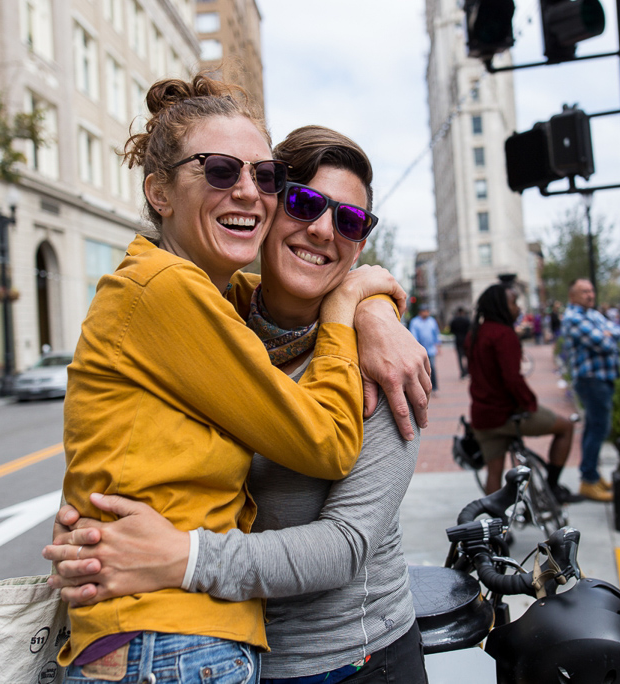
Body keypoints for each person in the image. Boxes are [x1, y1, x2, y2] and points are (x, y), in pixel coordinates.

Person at [36, 75, 426, 679]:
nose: (324, 229)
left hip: (349, 661)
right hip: (194, 646)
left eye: (351, 222)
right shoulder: (210, 310)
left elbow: (346, 545)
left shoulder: (383, 362)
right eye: (301, 202)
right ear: (271, 214)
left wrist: (364, 305)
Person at [468, 282, 575, 501]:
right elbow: (512, 379)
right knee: (566, 427)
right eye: (514, 302)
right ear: (500, 306)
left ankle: (496, 528)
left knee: (494, 473)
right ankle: (553, 487)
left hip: (482, 417)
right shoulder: (504, 335)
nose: (518, 308)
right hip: (507, 414)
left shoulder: (475, 334)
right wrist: (529, 403)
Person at [557, 277, 620, 501]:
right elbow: (604, 343)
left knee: (594, 428)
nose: (590, 294)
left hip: (603, 377)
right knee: (599, 428)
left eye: (591, 290)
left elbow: (618, 332)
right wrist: (607, 334)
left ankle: (591, 475)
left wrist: (609, 333)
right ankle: (589, 480)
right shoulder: (574, 317)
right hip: (591, 379)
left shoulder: (591, 314)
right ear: (572, 296)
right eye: (584, 291)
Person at [409, 306, 441, 392]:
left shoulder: (432, 321)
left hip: (431, 349)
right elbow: (413, 336)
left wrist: (438, 346)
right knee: (421, 369)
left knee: (432, 368)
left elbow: (436, 334)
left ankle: (434, 387)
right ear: (420, 312)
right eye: (424, 311)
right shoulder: (415, 322)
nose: (426, 313)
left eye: (427, 311)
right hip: (420, 350)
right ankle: (423, 387)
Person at [449, 304, 472, 378]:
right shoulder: (466, 320)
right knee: (467, 356)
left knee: (459, 357)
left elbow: (451, 330)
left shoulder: (454, 320)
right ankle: (467, 370)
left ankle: (462, 371)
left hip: (458, 340)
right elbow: (470, 329)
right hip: (466, 340)